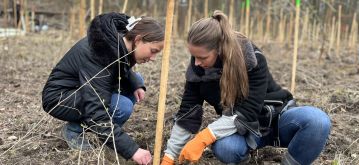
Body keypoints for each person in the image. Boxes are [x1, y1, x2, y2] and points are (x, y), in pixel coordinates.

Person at [161, 10, 331, 165]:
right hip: (244, 132)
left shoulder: (251, 59)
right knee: (226, 148)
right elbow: (187, 114)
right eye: (193, 56)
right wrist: (169, 157)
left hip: (276, 119)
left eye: (202, 57)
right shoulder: (198, 72)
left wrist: (202, 138)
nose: (196, 63)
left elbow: (247, 111)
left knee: (317, 121)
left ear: (219, 50)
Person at [41, 12, 164, 165]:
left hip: (81, 89)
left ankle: (107, 135)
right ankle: (75, 130)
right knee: (122, 107)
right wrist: (132, 150)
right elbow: (96, 111)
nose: (153, 58)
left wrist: (135, 84)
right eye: (153, 51)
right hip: (60, 98)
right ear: (138, 40)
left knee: (136, 80)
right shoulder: (99, 53)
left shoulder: (116, 42)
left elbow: (120, 66)